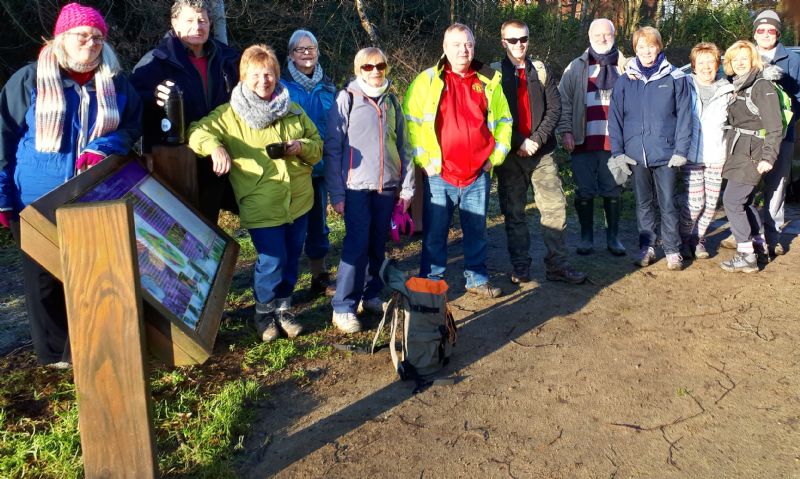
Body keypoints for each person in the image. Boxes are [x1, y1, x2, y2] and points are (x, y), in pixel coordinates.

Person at [0, 2, 142, 367]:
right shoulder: (29, 80)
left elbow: (130, 127)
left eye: (97, 37)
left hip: (92, 194)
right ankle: (55, 356)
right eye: (83, 36)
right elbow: (3, 138)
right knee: (43, 280)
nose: (91, 43)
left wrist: (105, 145)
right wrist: (1, 196)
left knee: (91, 273)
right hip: (34, 199)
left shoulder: (115, 82)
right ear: (62, 38)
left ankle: (90, 346)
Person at [187, 44, 323, 341]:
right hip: (262, 204)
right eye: (257, 74)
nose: (265, 80)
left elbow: (317, 144)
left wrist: (302, 147)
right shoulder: (230, 115)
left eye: (270, 73)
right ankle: (263, 313)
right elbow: (196, 132)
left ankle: (284, 308)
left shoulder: (292, 109)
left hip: (299, 200)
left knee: (291, 257)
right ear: (244, 77)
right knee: (271, 260)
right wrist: (215, 147)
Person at [404, 23, 512, 298]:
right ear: (444, 48)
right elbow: (411, 125)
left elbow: (503, 122)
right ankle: (431, 283)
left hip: (477, 174)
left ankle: (476, 279)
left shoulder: (490, 79)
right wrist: (424, 161)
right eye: (456, 44)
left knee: (476, 231)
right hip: (439, 174)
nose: (463, 50)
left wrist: (494, 158)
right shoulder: (426, 81)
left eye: (468, 44)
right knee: (435, 234)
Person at [324, 47, 415, 333]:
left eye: (380, 65)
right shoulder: (346, 98)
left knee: (378, 244)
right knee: (356, 244)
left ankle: (371, 294)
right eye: (368, 66)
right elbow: (333, 149)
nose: (375, 71)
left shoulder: (392, 100)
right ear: (358, 69)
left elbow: (405, 146)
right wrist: (337, 194)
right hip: (355, 188)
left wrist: (407, 187)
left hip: (387, 187)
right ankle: (343, 307)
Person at [491, 20, 586, 285]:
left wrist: (536, 139)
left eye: (523, 39)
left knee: (555, 208)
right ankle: (521, 267)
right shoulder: (494, 75)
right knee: (514, 213)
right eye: (513, 40)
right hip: (510, 157)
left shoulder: (542, 71)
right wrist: (518, 142)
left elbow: (554, 108)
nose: (519, 44)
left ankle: (557, 265)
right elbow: (492, 116)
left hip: (542, 154)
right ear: (503, 43)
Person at [131, 0, 240, 223]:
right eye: (189, 20)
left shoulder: (228, 59)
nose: (197, 27)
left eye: (202, 20)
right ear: (174, 23)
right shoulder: (154, 62)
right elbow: (132, 107)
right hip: (174, 159)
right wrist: (153, 97)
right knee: (176, 226)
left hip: (217, 156)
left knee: (208, 224)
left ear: (210, 24)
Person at [608, 26, 691, 271]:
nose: (646, 51)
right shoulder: (624, 81)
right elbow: (615, 119)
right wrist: (618, 152)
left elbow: (686, 117)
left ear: (659, 47)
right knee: (643, 204)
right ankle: (647, 247)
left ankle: (673, 250)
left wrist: (681, 150)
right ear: (635, 50)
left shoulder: (675, 78)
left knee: (667, 202)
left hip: (666, 153)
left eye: (651, 45)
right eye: (641, 46)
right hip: (635, 154)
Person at [719, 10, 800, 257]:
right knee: (745, 189)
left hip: (780, 136)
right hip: (747, 142)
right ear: (754, 33)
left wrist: (778, 118)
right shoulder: (744, 56)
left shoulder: (792, 60)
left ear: (778, 32)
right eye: (760, 30)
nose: (765, 34)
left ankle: (772, 237)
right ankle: (746, 233)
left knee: (775, 188)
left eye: (771, 30)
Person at [558, 18, 627, 257]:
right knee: (584, 191)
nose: (602, 39)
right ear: (589, 36)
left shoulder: (625, 65)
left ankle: (613, 237)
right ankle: (586, 237)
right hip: (582, 139)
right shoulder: (576, 67)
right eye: (597, 35)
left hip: (615, 142)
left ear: (614, 35)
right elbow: (564, 101)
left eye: (607, 34)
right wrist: (566, 130)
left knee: (613, 190)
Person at [280, 30, 337, 296]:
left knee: (318, 223)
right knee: (290, 226)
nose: (306, 53)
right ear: (291, 54)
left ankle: (319, 275)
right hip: (292, 166)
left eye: (311, 48)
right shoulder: (281, 87)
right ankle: (282, 283)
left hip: (321, 166)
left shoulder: (329, 87)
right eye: (300, 49)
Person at [719, 41, 783, 273]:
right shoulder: (739, 84)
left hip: (753, 153)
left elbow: (775, 128)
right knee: (744, 201)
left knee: (732, 200)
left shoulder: (761, 85)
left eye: (744, 58)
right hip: (739, 150)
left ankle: (745, 254)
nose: (740, 63)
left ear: (753, 60)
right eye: (735, 59)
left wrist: (768, 157)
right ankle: (758, 248)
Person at [679, 42, 733, 259]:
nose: (706, 67)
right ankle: (683, 237)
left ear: (717, 64)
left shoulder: (728, 89)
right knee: (694, 202)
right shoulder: (684, 85)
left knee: (711, 203)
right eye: (701, 62)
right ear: (693, 66)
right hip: (691, 153)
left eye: (711, 62)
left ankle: (698, 238)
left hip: (716, 155)